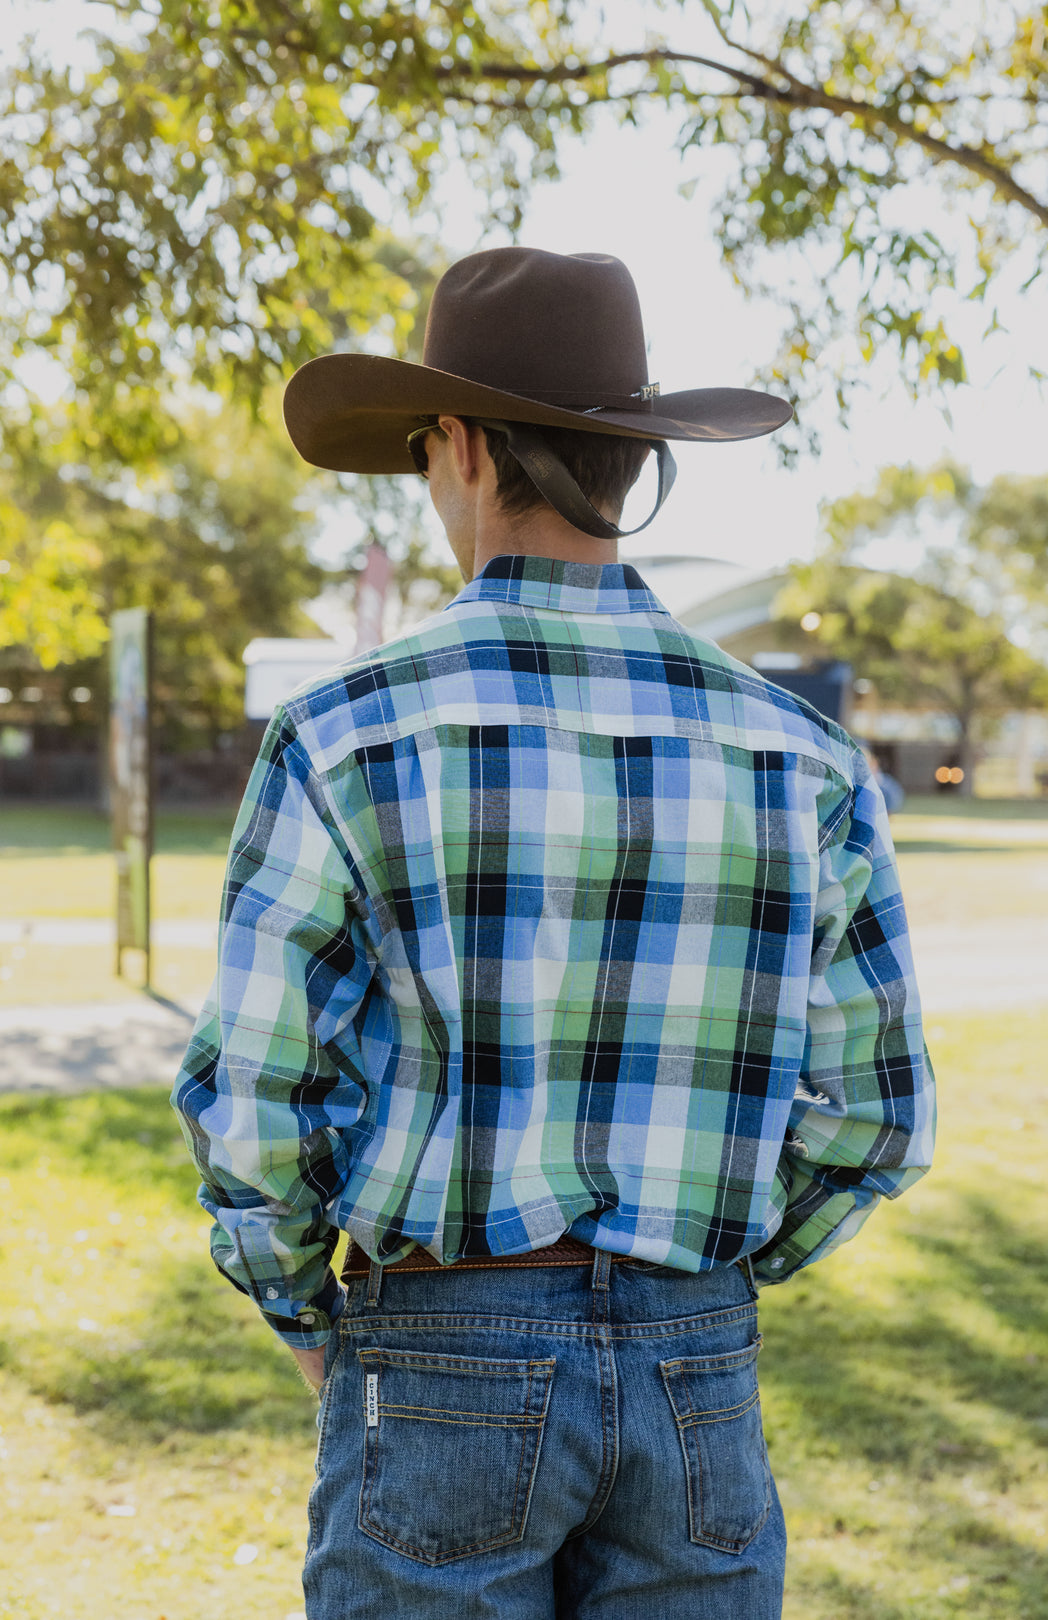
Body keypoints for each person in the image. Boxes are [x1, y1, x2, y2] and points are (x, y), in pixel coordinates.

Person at [172, 247, 934, 1620]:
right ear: (635, 465)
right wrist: (704, 1270)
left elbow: (255, 1103)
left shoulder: (347, 734)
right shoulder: (803, 756)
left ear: (457, 446)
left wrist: (304, 1320)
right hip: (698, 1357)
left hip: (437, 1340)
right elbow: (877, 1115)